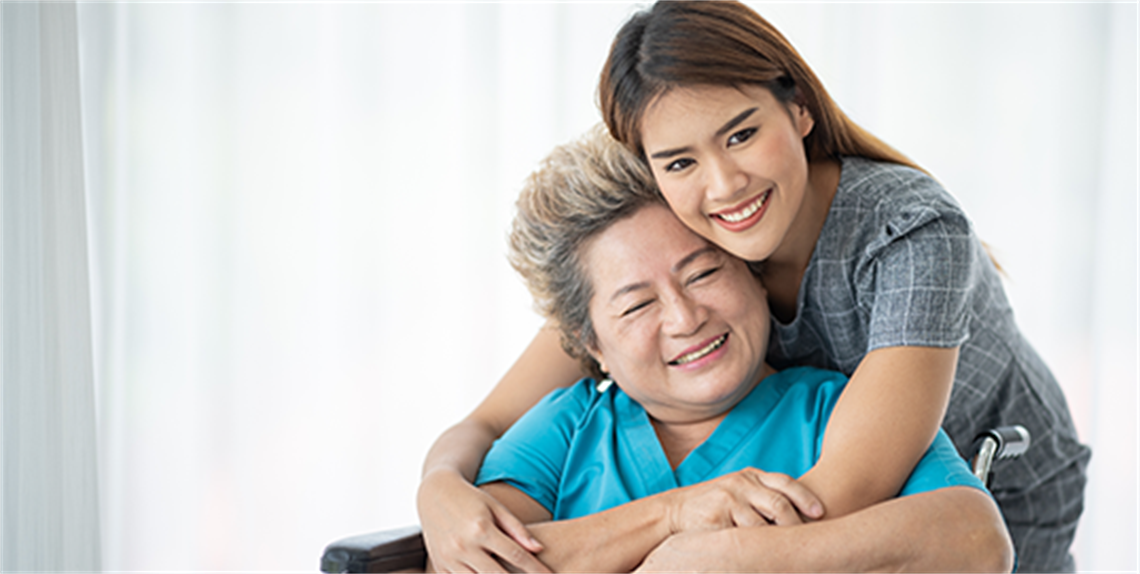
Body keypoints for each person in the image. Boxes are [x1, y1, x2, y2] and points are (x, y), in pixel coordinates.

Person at [417, 2, 1090, 572]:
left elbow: (846, 494)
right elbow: (507, 406)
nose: (725, 184)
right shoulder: (679, 225)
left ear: (798, 108)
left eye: (742, 134)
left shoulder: (909, 234)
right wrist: (440, 489)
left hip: (991, 477)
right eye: (681, 160)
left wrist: (682, 547)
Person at [423, 126, 1012, 573]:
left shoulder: (841, 415)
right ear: (588, 343)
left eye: (704, 273)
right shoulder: (566, 425)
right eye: (635, 306)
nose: (684, 317)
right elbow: (487, 560)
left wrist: (735, 553)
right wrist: (676, 515)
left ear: (754, 271)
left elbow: (976, 540)